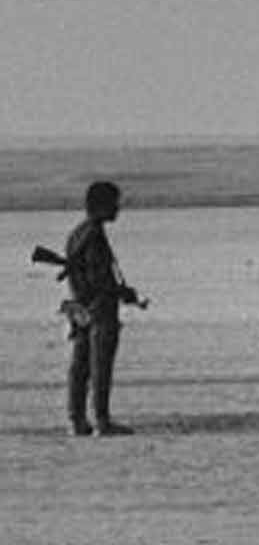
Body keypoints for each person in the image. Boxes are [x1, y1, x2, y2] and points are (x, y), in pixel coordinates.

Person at [63, 180, 142, 438]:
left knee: (80, 366)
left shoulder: (78, 233)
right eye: (114, 203)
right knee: (99, 366)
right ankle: (102, 421)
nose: (118, 208)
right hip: (99, 309)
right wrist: (123, 293)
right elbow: (100, 279)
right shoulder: (94, 235)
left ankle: (77, 420)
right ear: (101, 206)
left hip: (80, 307)